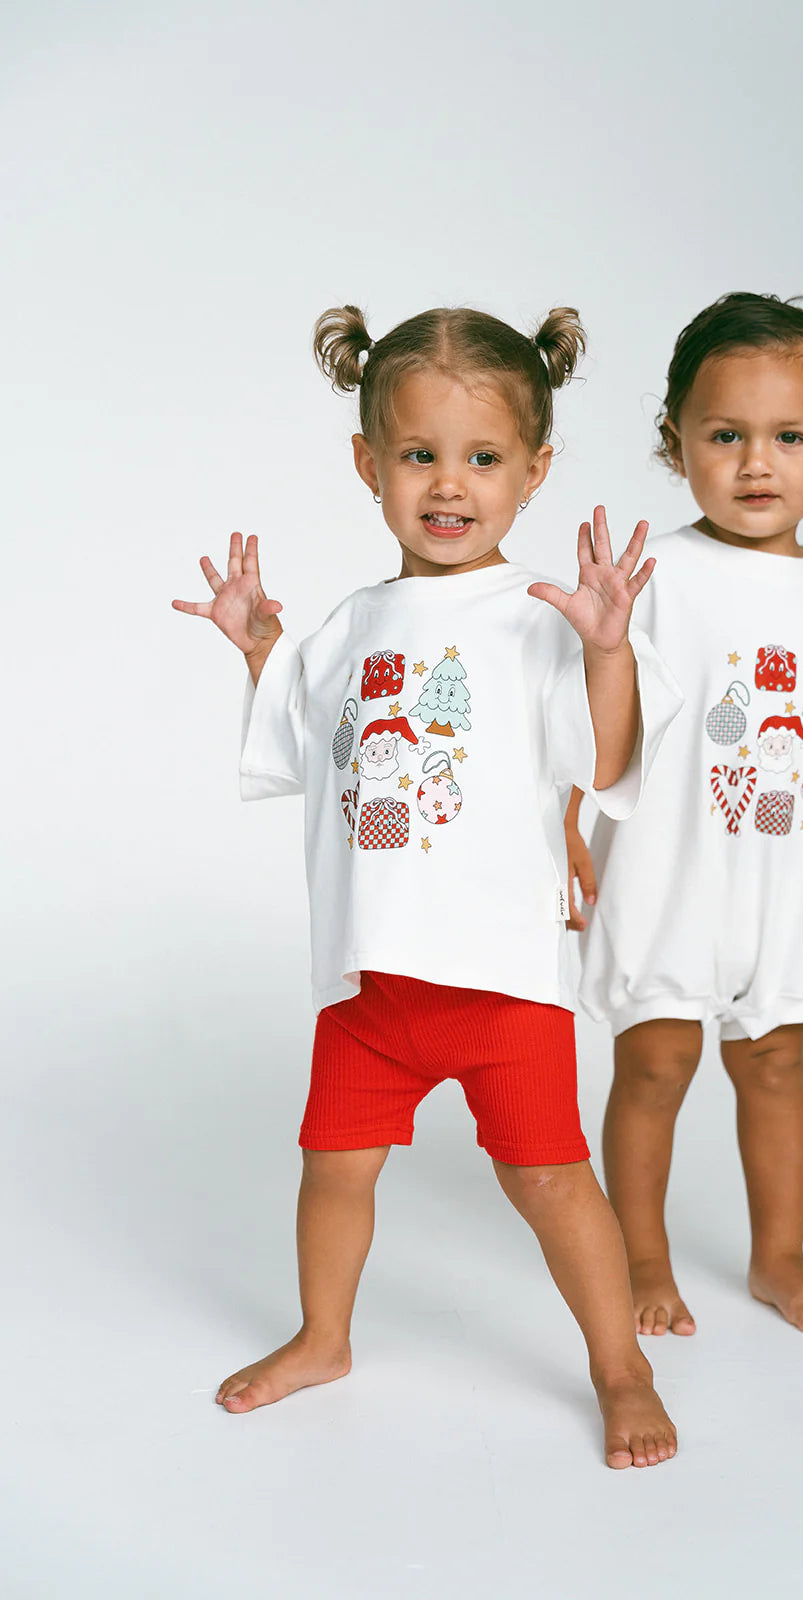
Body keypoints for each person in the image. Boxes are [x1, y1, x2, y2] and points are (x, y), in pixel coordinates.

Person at [173, 301, 682, 1468]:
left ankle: (619, 1363)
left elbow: (603, 761)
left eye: (483, 458)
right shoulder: (349, 625)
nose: (448, 485)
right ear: (368, 462)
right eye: (418, 455)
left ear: (534, 469)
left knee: (551, 1184)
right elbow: (311, 754)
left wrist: (607, 650)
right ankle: (322, 1336)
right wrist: (261, 651)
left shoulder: (541, 621)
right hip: (372, 982)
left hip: (499, 979)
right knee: (331, 1169)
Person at [567, 293, 803, 1338]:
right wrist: (561, 828)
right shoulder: (655, 578)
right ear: (674, 439)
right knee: (656, 1060)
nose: (753, 464)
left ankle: (778, 1254)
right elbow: (587, 717)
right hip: (669, 866)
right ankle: (640, 1250)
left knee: (774, 1057)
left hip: (786, 870)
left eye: (788, 437)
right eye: (723, 435)